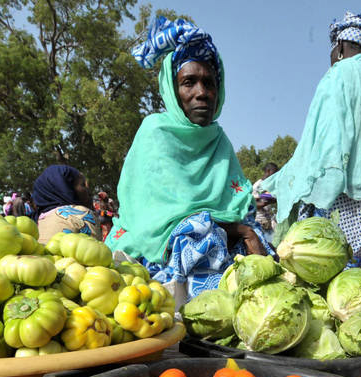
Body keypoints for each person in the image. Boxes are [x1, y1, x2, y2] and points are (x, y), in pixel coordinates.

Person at [105, 17, 270, 298]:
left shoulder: (219, 141)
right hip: (159, 248)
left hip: (222, 237)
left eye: (209, 83)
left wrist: (245, 232)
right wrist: (237, 230)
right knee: (200, 237)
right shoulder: (155, 132)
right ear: (172, 89)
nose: (201, 93)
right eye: (188, 83)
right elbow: (161, 216)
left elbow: (239, 208)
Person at [260, 11, 361, 267]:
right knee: (355, 266)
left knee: (322, 259)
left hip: (338, 188)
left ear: (340, 46)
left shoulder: (339, 73)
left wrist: (304, 180)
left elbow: (328, 138)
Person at [31, 165, 99, 242]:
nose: (87, 190)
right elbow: (96, 250)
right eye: (83, 185)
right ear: (66, 187)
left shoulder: (35, 220)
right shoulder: (82, 213)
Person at [252, 163, 278, 236]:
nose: (275, 176)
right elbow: (252, 204)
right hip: (259, 221)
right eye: (274, 173)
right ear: (268, 171)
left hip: (268, 221)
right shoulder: (258, 186)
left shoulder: (268, 185)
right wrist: (268, 202)